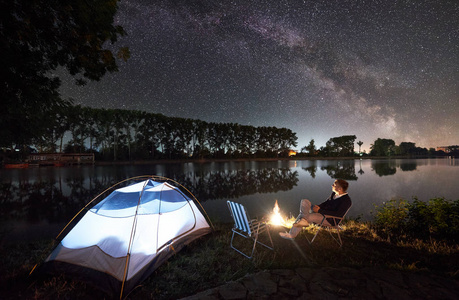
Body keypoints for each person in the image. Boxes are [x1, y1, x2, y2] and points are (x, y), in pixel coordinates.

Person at [279, 179, 352, 240]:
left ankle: (292, 235)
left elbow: (337, 214)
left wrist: (319, 211)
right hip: (322, 213)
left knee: (306, 216)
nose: (332, 185)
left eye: (334, 185)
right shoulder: (334, 194)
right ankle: (304, 221)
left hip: (331, 219)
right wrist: (318, 207)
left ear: (339, 189)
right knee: (304, 202)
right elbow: (325, 203)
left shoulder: (346, 201)